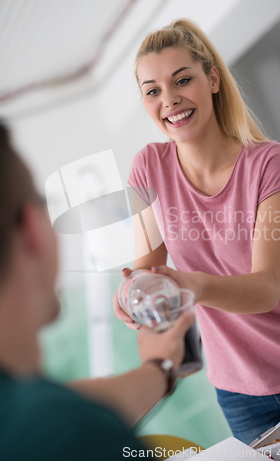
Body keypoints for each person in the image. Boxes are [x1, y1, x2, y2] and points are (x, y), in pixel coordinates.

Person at [113, 19, 280, 445]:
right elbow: (149, 269)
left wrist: (190, 285)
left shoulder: (270, 163)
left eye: (182, 80)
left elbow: (268, 288)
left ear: (212, 79)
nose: (170, 100)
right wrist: (134, 293)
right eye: (153, 90)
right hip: (239, 392)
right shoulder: (147, 167)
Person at [0, 120, 195, 461]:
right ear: (33, 227)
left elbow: (70, 407)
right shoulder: (71, 434)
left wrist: (160, 368)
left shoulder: (37, 415)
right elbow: (67, 421)